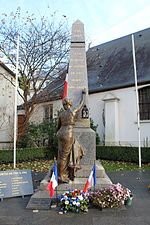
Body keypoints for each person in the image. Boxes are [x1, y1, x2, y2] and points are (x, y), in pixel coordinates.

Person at [57, 89, 86, 183]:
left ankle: (62, 173)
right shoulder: (72, 111)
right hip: (68, 133)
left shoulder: (61, 114)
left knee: (61, 156)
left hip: (60, 132)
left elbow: (58, 126)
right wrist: (84, 95)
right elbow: (81, 104)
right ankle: (61, 176)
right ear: (70, 104)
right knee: (64, 156)